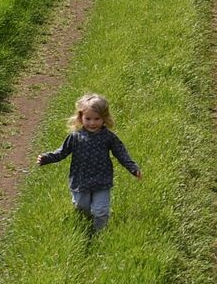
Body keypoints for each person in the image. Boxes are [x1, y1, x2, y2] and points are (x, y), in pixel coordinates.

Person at [37, 92, 141, 231]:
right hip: (81, 180)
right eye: (88, 118)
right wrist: (46, 158)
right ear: (81, 118)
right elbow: (61, 152)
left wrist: (132, 168)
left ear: (104, 118)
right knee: (81, 208)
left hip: (102, 179)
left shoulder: (108, 137)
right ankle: (84, 228)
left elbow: (121, 153)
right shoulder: (75, 137)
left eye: (97, 119)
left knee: (101, 210)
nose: (92, 123)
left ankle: (99, 233)